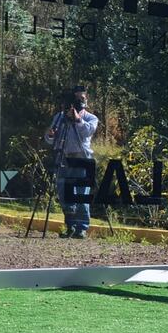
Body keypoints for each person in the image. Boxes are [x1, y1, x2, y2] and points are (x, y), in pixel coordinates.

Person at [44, 86, 99, 239]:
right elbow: (50, 140)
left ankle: (82, 229)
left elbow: (87, 132)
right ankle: (70, 227)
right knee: (65, 195)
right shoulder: (59, 117)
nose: (80, 101)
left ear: (86, 99)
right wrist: (50, 135)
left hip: (82, 159)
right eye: (77, 99)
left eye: (82, 98)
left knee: (81, 196)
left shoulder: (91, 118)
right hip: (63, 159)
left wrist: (78, 119)